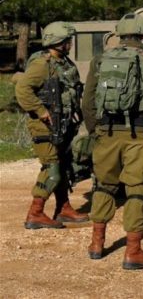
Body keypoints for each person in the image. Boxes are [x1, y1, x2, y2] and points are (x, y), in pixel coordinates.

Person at [81, 13, 143, 269]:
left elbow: (87, 102)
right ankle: (133, 251)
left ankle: (97, 244)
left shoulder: (100, 60)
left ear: (119, 34)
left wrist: (95, 131)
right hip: (139, 135)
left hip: (106, 133)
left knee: (104, 186)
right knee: (136, 190)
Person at [16, 21, 89, 229]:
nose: (70, 44)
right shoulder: (42, 64)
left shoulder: (63, 63)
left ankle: (63, 208)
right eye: (67, 40)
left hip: (62, 123)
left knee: (64, 167)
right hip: (44, 126)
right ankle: (35, 213)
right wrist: (41, 111)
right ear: (57, 42)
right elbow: (22, 89)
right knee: (52, 169)